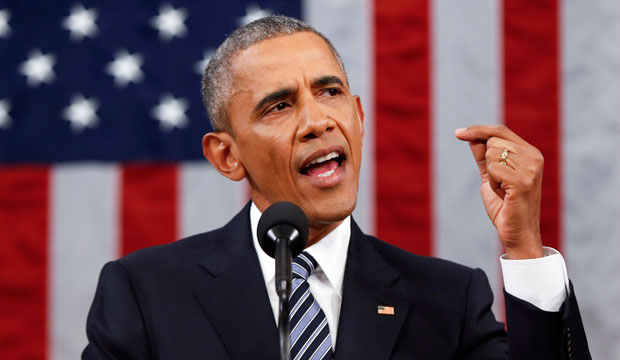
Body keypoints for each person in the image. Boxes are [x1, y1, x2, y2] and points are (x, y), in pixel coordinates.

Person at [82, 15, 590, 359]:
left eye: (330, 92)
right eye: (279, 106)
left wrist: (523, 247)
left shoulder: (448, 300)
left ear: (360, 116)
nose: (317, 121)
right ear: (227, 155)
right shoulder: (145, 294)